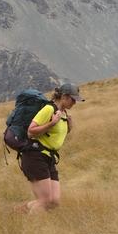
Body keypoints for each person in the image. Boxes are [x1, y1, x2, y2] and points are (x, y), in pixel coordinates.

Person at [15, 83, 84, 214]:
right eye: (73, 99)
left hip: (49, 158)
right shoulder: (48, 109)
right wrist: (51, 123)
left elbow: (54, 135)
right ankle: (31, 225)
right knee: (45, 200)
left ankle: (18, 212)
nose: (75, 102)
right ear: (64, 97)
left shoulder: (63, 113)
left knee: (54, 201)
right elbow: (30, 132)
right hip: (35, 156)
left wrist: (69, 127)